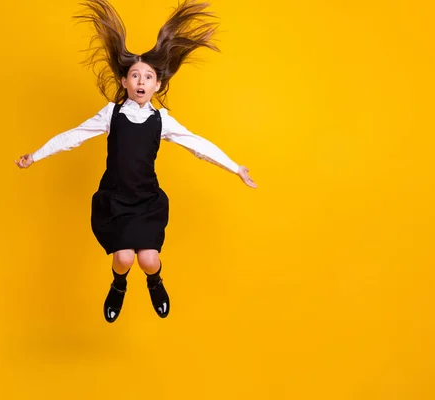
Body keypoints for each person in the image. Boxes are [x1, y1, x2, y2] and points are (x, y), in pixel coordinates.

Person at [15, 0, 257, 323]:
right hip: (116, 199)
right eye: (134, 76)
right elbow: (74, 136)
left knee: (148, 259)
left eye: (148, 77)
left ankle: (155, 282)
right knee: (124, 257)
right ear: (125, 83)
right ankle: (118, 285)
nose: (141, 81)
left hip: (145, 200)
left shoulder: (162, 120)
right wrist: (36, 155)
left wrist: (235, 167)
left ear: (157, 84)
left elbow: (197, 144)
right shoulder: (111, 114)